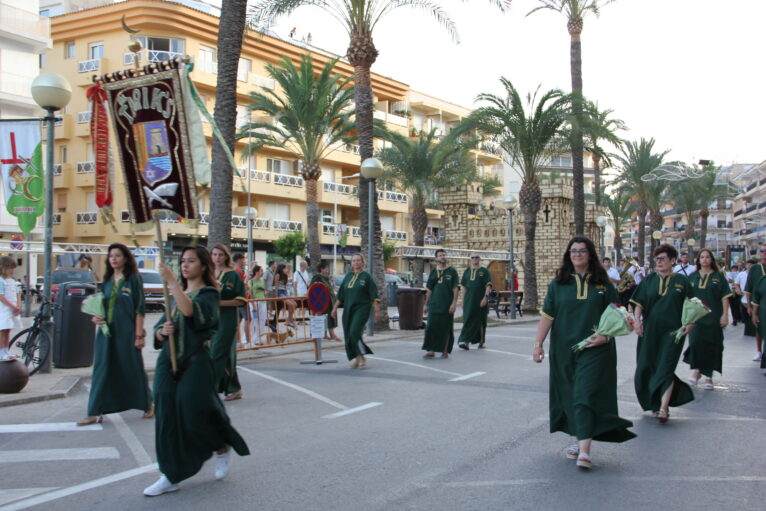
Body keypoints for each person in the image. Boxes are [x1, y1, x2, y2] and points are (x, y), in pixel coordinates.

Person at [143, 246, 249, 497]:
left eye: (191, 261)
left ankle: (221, 446)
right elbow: (160, 329)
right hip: (167, 363)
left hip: (195, 361)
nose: (185, 265)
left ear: (203, 265)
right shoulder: (176, 295)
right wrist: (161, 332)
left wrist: (171, 282)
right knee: (166, 416)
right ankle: (170, 474)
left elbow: (191, 312)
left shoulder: (210, 293)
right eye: (182, 261)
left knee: (195, 413)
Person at [533, 237, 635, 469]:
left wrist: (606, 337)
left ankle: (585, 451)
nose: (577, 254)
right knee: (570, 393)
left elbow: (622, 319)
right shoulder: (558, 284)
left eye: (582, 251)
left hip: (595, 349)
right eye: (573, 251)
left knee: (585, 393)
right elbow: (548, 316)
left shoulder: (605, 285)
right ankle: (581, 438)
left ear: (590, 255)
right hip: (564, 350)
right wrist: (538, 344)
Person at [77, 244, 153, 425]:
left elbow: (139, 309)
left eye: (118, 255)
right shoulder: (108, 279)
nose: (114, 259)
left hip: (127, 331)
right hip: (106, 332)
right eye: (111, 256)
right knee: (102, 369)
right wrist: (95, 318)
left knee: (132, 367)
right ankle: (94, 412)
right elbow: (101, 303)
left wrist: (138, 335)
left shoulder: (133, 279)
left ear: (126, 258)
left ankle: (148, 403)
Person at [631, 244, 696, 423]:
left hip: (674, 332)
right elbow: (639, 303)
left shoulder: (682, 281)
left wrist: (690, 324)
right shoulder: (649, 280)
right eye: (656, 259)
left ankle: (663, 408)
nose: (658, 262)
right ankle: (653, 402)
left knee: (666, 366)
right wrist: (637, 321)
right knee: (647, 366)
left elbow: (693, 305)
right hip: (650, 330)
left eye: (662, 259)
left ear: (672, 260)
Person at [683, 248, 732, 390]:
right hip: (696, 318)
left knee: (713, 345)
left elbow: (725, 297)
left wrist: (725, 315)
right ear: (698, 260)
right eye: (702, 257)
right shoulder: (692, 277)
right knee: (696, 343)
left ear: (711, 260)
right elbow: (686, 298)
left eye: (707, 257)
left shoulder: (718, 277)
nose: (704, 259)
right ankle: (697, 371)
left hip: (713, 317)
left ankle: (708, 376)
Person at [210, 244, 247, 402]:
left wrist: (220, 303)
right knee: (225, 356)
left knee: (216, 353)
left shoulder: (233, 275)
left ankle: (208, 388)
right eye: (214, 254)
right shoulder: (208, 273)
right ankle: (235, 388)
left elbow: (241, 300)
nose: (217, 258)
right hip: (211, 319)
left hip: (227, 320)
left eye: (220, 255)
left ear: (226, 256)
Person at [331, 253, 381, 368]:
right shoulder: (348, 277)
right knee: (349, 334)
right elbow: (341, 295)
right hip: (348, 309)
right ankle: (358, 358)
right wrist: (334, 309)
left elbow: (373, 294)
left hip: (362, 309)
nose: (356, 262)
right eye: (354, 260)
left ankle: (361, 357)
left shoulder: (366, 277)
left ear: (363, 263)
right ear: (351, 263)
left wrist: (377, 310)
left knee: (354, 332)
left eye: (358, 260)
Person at [422, 249, 459, 359]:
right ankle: (431, 350)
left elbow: (456, 288)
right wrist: (425, 304)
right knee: (430, 327)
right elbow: (429, 289)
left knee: (446, 328)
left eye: (444, 255)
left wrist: (454, 303)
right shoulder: (433, 272)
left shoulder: (452, 271)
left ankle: (445, 351)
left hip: (447, 304)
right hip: (434, 304)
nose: (442, 257)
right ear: (436, 258)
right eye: (440, 255)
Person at [457, 253, 492, 350]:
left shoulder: (484, 271)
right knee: (468, 319)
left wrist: (485, 297)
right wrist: (463, 301)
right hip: (469, 300)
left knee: (480, 321)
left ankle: (481, 342)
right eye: (472, 257)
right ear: (470, 259)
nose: (474, 259)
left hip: (480, 300)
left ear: (479, 259)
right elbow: (464, 287)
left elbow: (488, 285)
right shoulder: (467, 271)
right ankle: (465, 342)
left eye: (476, 257)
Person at [745, 245, 766, 362]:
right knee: (758, 328)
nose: (764, 253)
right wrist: (749, 306)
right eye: (762, 251)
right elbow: (748, 289)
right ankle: (759, 351)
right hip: (757, 303)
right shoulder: (755, 269)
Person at [311, 261, 341, 341]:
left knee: (329, 316)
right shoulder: (317, 277)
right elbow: (313, 288)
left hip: (330, 300)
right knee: (327, 317)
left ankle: (325, 334)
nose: (327, 270)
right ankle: (332, 335)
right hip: (323, 301)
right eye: (326, 268)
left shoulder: (326, 278)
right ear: (321, 269)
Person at [0, 256, 21, 361]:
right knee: (3, 331)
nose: (12, 270)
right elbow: (1, 296)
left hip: (10, 309)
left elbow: (17, 294)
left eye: (13, 268)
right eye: (10, 268)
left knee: (7, 330)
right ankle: (1, 353)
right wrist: (14, 307)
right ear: (2, 267)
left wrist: (18, 306)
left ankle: (6, 351)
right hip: (4, 309)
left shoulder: (12, 281)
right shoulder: (1, 281)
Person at [232, 253, 251, 347]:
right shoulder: (238, 271)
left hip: (239, 300)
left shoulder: (235, 271)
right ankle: (248, 342)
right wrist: (247, 277)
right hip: (242, 299)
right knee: (248, 319)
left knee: (238, 321)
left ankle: (238, 341)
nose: (244, 262)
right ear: (239, 260)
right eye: (243, 260)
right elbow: (242, 285)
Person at [736, 260, 757, 341]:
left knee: (753, 315)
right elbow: (736, 283)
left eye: (751, 264)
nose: (750, 266)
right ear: (745, 265)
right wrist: (737, 289)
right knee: (745, 317)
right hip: (744, 299)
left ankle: (754, 331)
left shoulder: (756, 275)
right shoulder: (741, 274)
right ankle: (748, 331)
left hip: (754, 299)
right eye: (748, 264)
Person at [248, 264, 267, 345]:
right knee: (254, 321)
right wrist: (253, 305)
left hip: (262, 301)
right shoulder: (250, 281)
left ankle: (258, 338)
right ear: (256, 272)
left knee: (262, 320)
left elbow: (265, 291)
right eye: (260, 271)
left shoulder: (262, 281)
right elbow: (250, 293)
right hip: (254, 302)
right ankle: (252, 338)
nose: (262, 272)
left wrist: (265, 292)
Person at [275, 264, 297, 329]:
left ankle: (289, 319)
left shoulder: (285, 276)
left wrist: (287, 294)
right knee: (290, 304)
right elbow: (276, 286)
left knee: (295, 304)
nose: (286, 270)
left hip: (285, 292)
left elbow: (285, 286)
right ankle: (290, 320)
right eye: (285, 268)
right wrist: (276, 296)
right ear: (282, 269)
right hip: (280, 292)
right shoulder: (278, 275)